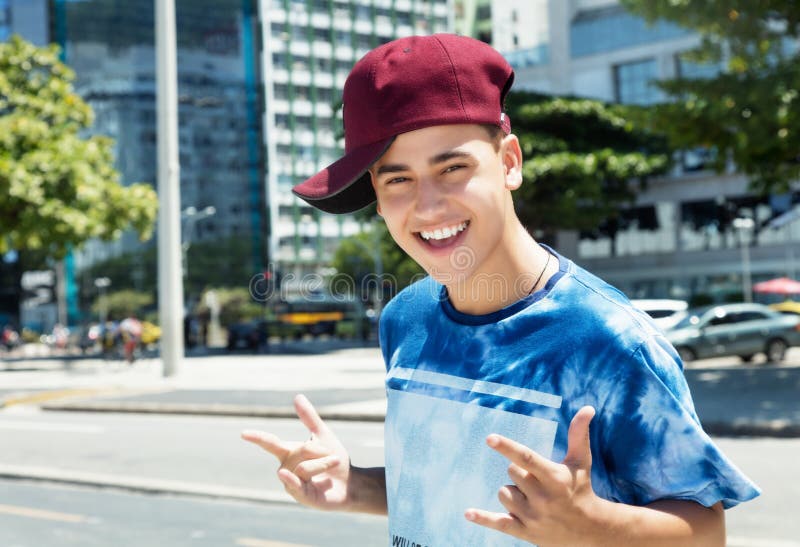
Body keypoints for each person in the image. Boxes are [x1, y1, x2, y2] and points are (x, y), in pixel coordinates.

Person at [242, 34, 759, 546]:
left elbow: (706, 531)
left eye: (452, 168)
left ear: (509, 162)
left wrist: (594, 527)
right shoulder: (405, 320)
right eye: (398, 180)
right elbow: (448, 492)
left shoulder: (607, 339)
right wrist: (354, 486)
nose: (427, 206)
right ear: (376, 196)